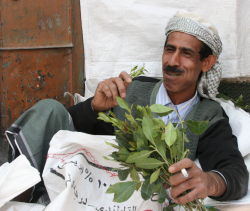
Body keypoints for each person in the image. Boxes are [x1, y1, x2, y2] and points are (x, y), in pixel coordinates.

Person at [6, 10, 248, 205]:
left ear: (206, 62)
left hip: (134, 199)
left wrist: (210, 181)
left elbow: (235, 173)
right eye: (169, 49)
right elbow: (67, 134)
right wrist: (93, 108)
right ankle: (22, 199)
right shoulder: (133, 90)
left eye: (186, 53)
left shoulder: (208, 115)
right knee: (49, 109)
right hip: (91, 181)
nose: (172, 61)